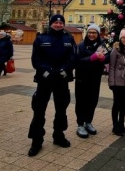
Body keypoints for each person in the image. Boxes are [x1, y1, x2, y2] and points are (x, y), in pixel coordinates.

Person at [27, 15, 77, 157]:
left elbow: (73, 57)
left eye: (61, 23)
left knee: (61, 110)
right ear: (51, 24)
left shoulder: (69, 39)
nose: (58, 24)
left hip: (61, 79)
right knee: (39, 110)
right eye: (56, 22)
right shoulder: (41, 38)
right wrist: (46, 70)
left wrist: (64, 69)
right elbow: (36, 59)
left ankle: (58, 135)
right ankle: (37, 140)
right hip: (45, 80)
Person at [74, 24, 107, 138]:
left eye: (94, 33)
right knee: (81, 101)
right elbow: (77, 62)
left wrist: (103, 59)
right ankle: (80, 124)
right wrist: (91, 58)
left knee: (92, 101)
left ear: (98, 34)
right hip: (82, 79)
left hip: (95, 78)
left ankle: (88, 122)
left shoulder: (101, 45)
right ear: (87, 33)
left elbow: (107, 57)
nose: (92, 35)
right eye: (90, 32)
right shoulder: (81, 46)